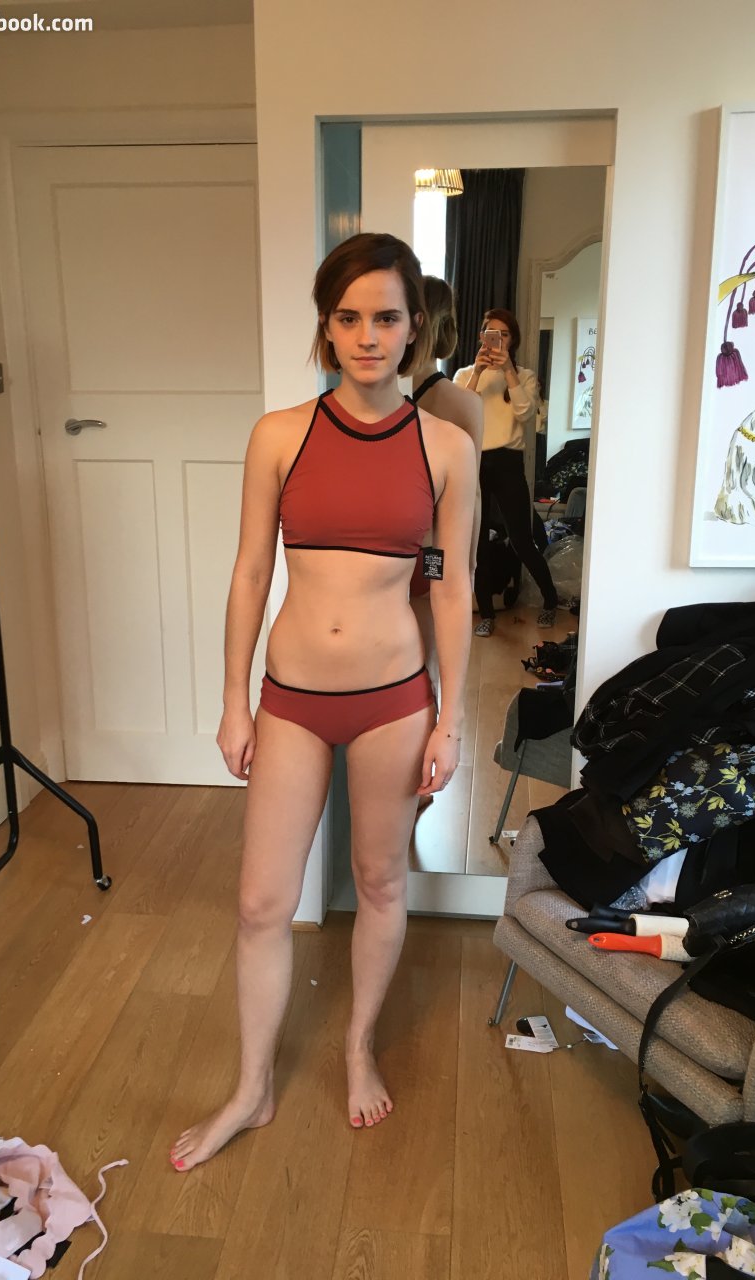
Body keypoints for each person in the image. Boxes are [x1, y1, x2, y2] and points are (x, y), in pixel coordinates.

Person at [170, 233, 476, 1171]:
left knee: (380, 882)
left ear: (415, 326)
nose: (368, 336)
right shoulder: (279, 434)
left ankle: (357, 1047)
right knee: (261, 901)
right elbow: (249, 572)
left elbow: (453, 588)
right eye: (349, 318)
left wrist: (451, 718)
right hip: (292, 701)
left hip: (394, 702)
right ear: (327, 326)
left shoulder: (448, 447)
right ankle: (252, 1088)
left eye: (386, 317)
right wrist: (234, 703)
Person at [453, 309, 559, 635]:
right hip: (474, 461)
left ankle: (550, 600)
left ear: (513, 341)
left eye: (504, 335)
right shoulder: (463, 375)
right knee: (478, 543)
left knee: (522, 540)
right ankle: (486, 613)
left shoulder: (524, 376)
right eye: (491, 333)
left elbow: (526, 414)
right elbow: (458, 415)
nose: (497, 340)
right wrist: (477, 372)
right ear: (481, 337)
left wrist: (509, 370)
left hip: (509, 462)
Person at [408, 275, 483, 690]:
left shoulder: (382, 402)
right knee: (428, 668)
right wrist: (469, 565)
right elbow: (472, 495)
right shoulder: (464, 403)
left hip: (392, 554)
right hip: (434, 554)